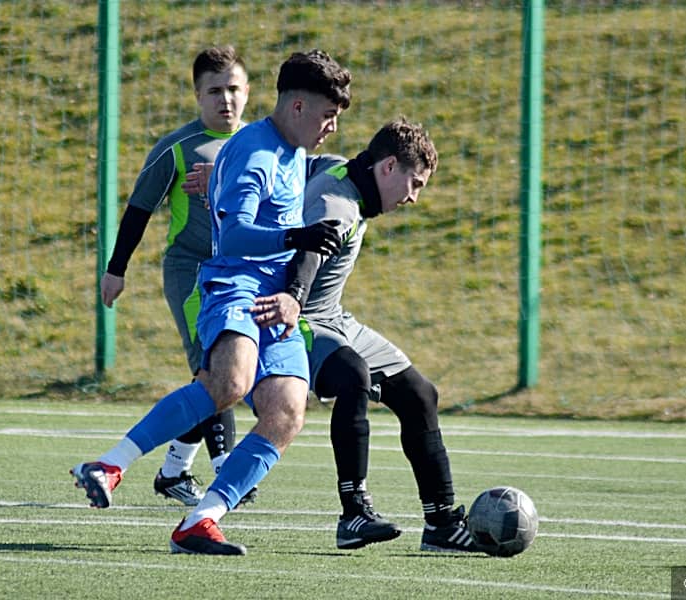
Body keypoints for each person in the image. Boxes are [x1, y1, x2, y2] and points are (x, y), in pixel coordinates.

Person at [72, 49, 352, 556]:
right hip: (235, 283)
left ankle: (201, 520)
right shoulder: (256, 153)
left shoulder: (293, 149)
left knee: (287, 412)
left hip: (276, 297)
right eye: (328, 115)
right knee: (229, 381)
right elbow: (237, 236)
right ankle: (110, 464)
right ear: (297, 107)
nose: (332, 126)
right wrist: (298, 235)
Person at [251, 117, 480, 552]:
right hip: (295, 318)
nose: (413, 197)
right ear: (388, 167)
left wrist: (225, 169)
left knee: (419, 394)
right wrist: (294, 298)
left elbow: (292, 165)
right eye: (414, 183)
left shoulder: (338, 168)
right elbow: (309, 253)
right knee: (352, 375)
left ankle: (441, 524)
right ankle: (353, 512)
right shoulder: (339, 206)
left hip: (333, 317)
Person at [99, 46, 250, 506]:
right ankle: (228, 470)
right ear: (198, 96)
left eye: (234, 89)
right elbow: (139, 209)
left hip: (241, 277)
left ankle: (174, 471)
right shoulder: (177, 147)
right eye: (215, 91)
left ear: (248, 91)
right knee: (214, 366)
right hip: (192, 274)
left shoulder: (258, 145)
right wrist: (116, 270)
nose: (226, 99)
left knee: (226, 377)